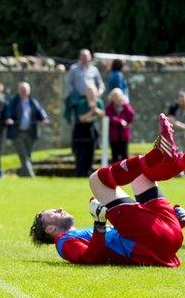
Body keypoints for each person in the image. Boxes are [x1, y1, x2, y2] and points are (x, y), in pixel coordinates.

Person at [30, 114, 185, 266]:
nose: (60, 208)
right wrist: (99, 223)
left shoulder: (80, 234)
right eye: (53, 213)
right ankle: (158, 154)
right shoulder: (63, 243)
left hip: (168, 236)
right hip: (150, 243)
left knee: (140, 176)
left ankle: (177, 161)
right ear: (50, 229)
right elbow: (90, 258)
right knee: (95, 179)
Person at [5, 82, 49, 177]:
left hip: (31, 132)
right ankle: (30, 175)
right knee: (23, 155)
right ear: (18, 91)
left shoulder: (33, 101)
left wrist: (44, 119)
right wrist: (9, 119)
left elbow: (40, 112)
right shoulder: (14, 101)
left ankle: (22, 174)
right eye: (22, 90)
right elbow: (8, 112)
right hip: (17, 132)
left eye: (25, 90)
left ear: (29, 91)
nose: (24, 92)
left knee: (27, 155)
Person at [71, 84, 105, 177]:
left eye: (92, 92)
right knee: (81, 154)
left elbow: (103, 115)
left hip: (92, 131)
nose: (91, 94)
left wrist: (95, 110)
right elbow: (82, 118)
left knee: (91, 153)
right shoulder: (81, 103)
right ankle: (80, 173)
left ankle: (88, 172)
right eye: (89, 92)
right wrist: (92, 112)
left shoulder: (99, 102)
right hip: (81, 131)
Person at [105, 88, 135, 162]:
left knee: (124, 155)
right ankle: (115, 173)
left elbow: (131, 115)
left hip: (124, 135)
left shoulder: (125, 106)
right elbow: (110, 118)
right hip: (114, 136)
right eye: (115, 96)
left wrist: (125, 104)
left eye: (118, 96)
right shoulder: (109, 107)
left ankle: (125, 173)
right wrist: (120, 121)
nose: (117, 98)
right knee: (115, 156)